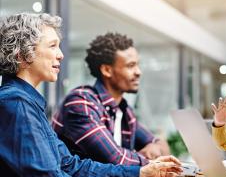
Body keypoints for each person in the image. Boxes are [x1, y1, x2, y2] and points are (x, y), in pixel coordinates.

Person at [0, 13, 181, 177]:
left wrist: (140, 173)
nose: (61, 55)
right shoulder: (16, 104)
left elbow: (70, 165)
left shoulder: (26, 103)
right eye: (52, 46)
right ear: (21, 54)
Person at [52, 32, 169, 167]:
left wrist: (155, 149)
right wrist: (151, 159)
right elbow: (116, 160)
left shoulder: (124, 111)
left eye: (138, 65)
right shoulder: (81, 102)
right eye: (130, 65)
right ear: (107, 70)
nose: (138, 72)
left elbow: (161, 145)